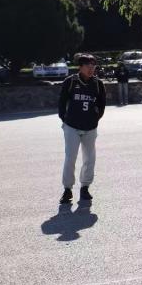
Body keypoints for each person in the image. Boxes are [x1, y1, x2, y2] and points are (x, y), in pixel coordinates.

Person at [58, 53, 107, 205]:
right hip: (72, 126)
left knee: (89, 158)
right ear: (80, 67)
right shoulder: (70, 81)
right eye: (88, 66)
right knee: (70, 158)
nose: (91, 69)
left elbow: (102, 105)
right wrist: (65, 119)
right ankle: (67, 189)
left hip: (90, 127)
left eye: (93, 66)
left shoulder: (98, 83)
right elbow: (62, 102)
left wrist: (95, 119)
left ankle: (85, 187)